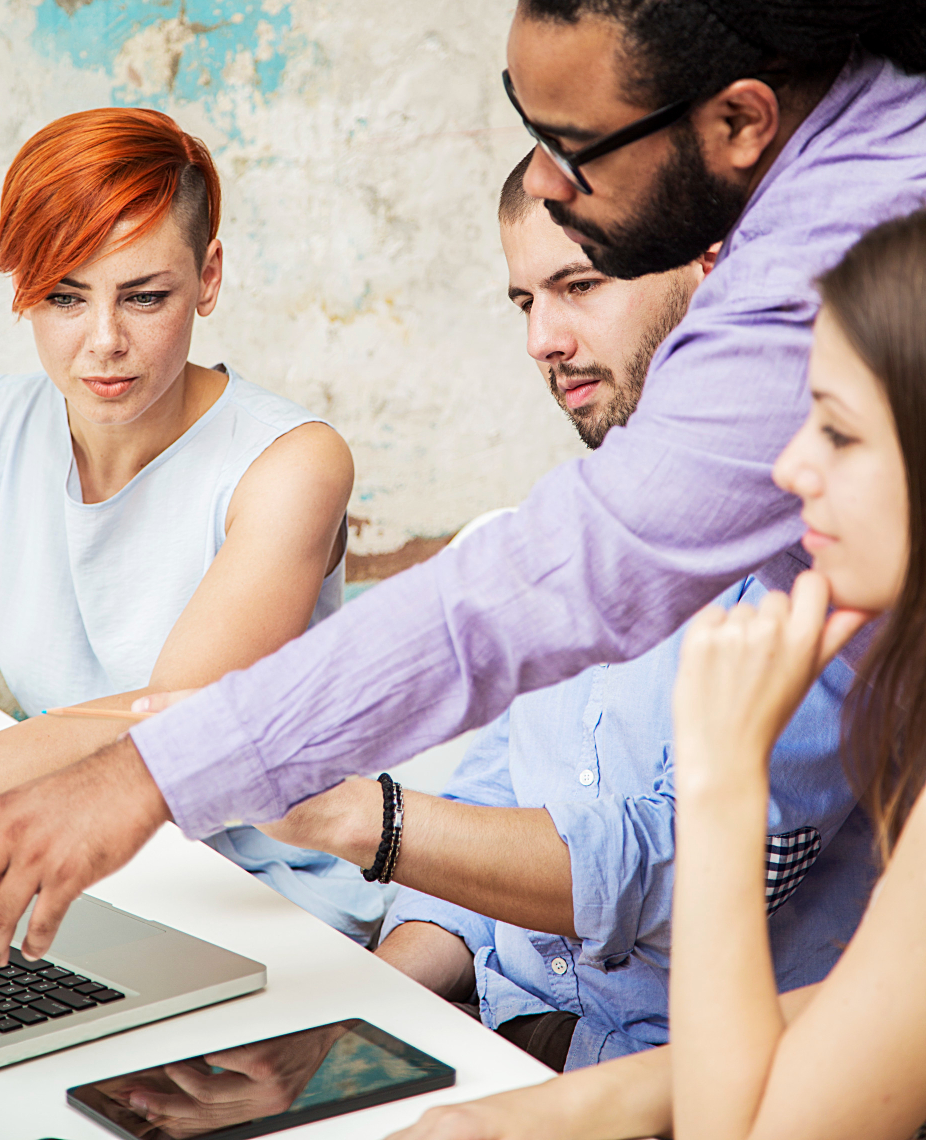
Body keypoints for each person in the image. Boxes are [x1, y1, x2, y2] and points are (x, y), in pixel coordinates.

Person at [0, 0, 926, 967]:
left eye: (574, 148)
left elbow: (559, 590)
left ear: (736, 120)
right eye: (61, 294)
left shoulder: (842, 258)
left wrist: (141, 774)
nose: (548, 187)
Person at [381, 206, 926, 1140]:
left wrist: (719, 774)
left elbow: (748, 1121)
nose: (792, 467)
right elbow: (840, 1022)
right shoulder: (569, 530)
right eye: (524, 301)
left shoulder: (813, 605)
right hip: (535, 1044)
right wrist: (514, 1113)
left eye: (834, 428)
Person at [0, 107, 388, 943]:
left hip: (253, 894)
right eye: (65, 296)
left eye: (144, 297)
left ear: (208, 277)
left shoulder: (291, 464)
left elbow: (174, 723)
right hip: (73, 862)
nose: (104, 341)